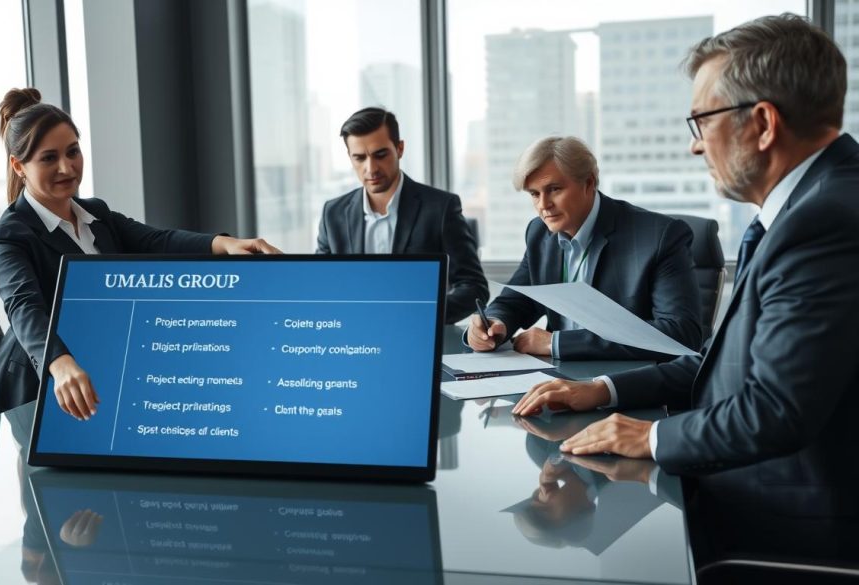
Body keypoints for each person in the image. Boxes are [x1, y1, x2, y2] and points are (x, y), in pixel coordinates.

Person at [513, 14, 859, 564]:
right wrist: (603, 390)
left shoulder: (825, 221)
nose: (697, 147)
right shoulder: (810, 206)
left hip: (792, 529)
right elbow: (728, 364)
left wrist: (651, 439)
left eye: (701, 121)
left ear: (764, 123)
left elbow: (774, 409)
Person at [0, 88, 280, 419]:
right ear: (19, 165)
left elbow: (157, 240)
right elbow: (24, 307)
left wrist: (228, 245)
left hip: (98, 364)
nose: (67, 168)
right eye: (49, 158)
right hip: (40, 384)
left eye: (73, 152)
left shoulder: (95, 213)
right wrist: (60, 362)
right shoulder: (8, 235)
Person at [465, 136, 703, 360]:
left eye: (554, 189)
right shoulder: (540, 233)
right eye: (534, 194)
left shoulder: (659, 236)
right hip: (558, 379)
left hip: (626, 383)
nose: (543, 205)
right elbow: (516, 300)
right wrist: (493, 324)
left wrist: (556, 344)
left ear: (588, 183)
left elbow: (680, 334)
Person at [316, 107, 488, 324]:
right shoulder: (333, 214)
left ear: (400, 148)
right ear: (350, 158)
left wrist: (422, 314)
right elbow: (321, 285)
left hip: (418, 335)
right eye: (359, 158)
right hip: (352, 338)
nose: (371, 168)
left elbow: (474, 287)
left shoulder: (441, 208)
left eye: (380, 155)